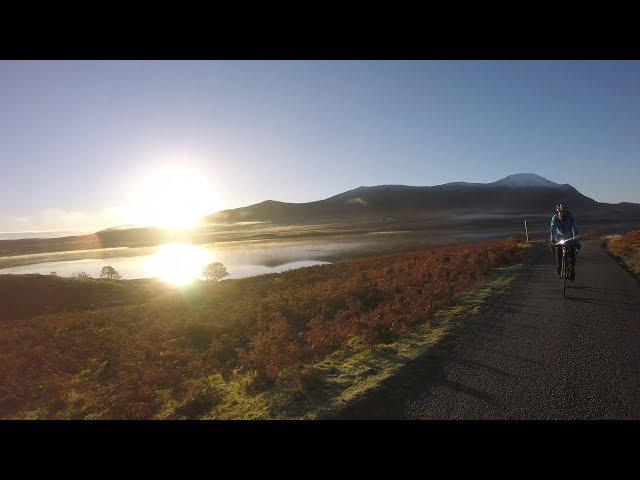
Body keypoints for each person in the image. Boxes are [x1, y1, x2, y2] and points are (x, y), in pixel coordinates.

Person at [549, 202, 580, 281]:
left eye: (564, 212)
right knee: (558, 250)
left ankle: (572, 270)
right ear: (558, 211)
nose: (562, 213)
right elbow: (553, 229)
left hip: (569, 236)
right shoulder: (555, 217)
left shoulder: (571, 217)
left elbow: (574, 228)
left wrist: (575, 240)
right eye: (560, 212)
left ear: (566, 211)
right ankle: (559, 266)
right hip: (559, 236)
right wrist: (552, 240)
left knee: (572, 254)